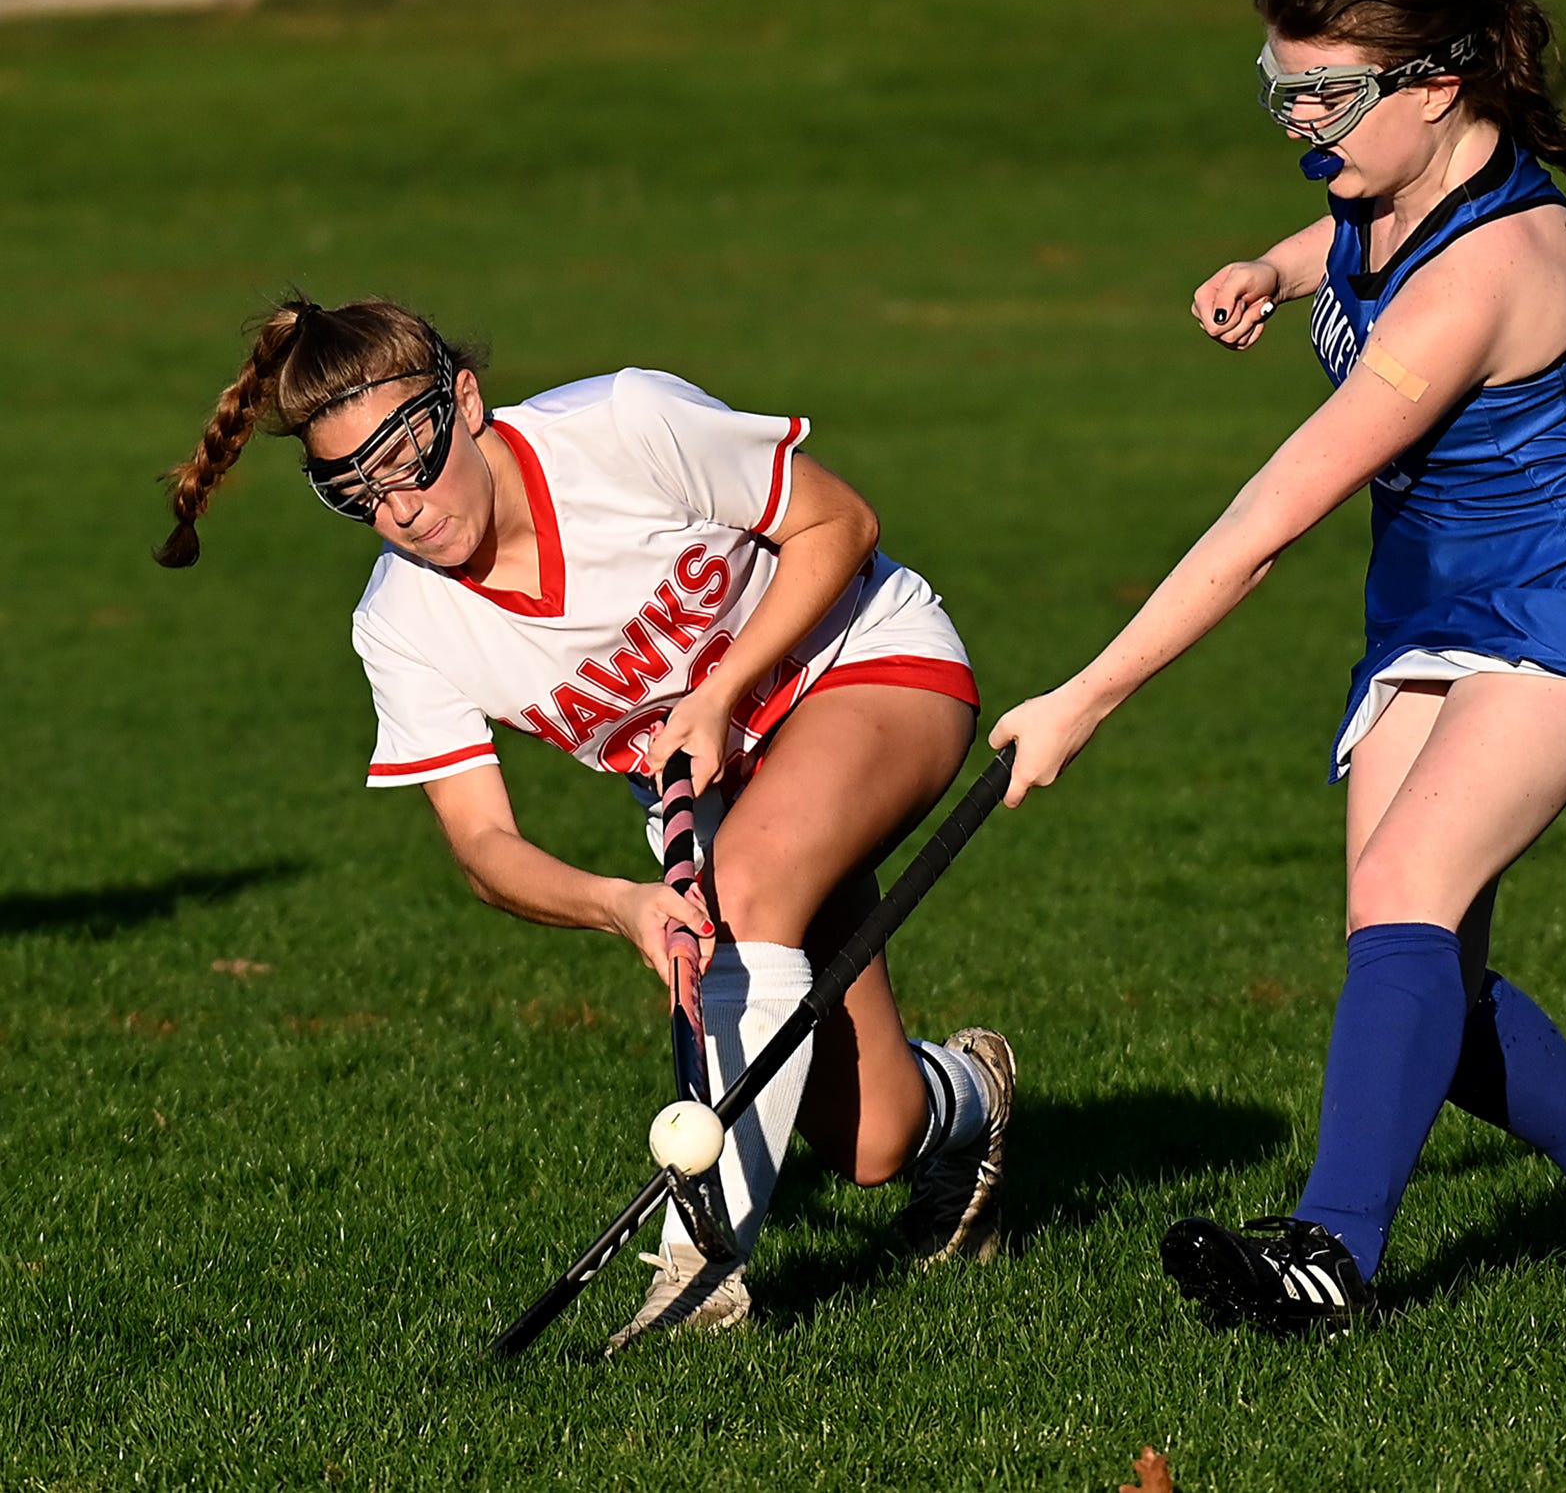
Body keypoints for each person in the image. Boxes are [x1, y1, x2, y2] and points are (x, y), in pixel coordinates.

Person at [991, 0, 1566, 1334]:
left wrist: (1084, 695)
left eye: (1328, 95)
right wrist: (1273, 273)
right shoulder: (1378, 185)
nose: (1299, 125)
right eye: (1281, 89)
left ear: (1438, 85)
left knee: (1402, 897)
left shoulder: (1485, 272)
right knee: (1417, 969)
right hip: (1438, 597)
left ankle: (1329, 1255)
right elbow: (1343, 241)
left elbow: (1266, 522)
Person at [155, 297, 1015, 1352]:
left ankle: (700, 1279)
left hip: (864, 665)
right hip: (728, 804)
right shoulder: (402, 622)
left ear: (465, 401)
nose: (403, 510)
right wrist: (620, 905)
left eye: (409, 458)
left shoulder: (622, 425)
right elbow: (484, 847)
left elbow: (840, 523)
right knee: (873, 1140)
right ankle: (970, 1098)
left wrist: (721, 691)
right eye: (357, 492)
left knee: (744, 894)